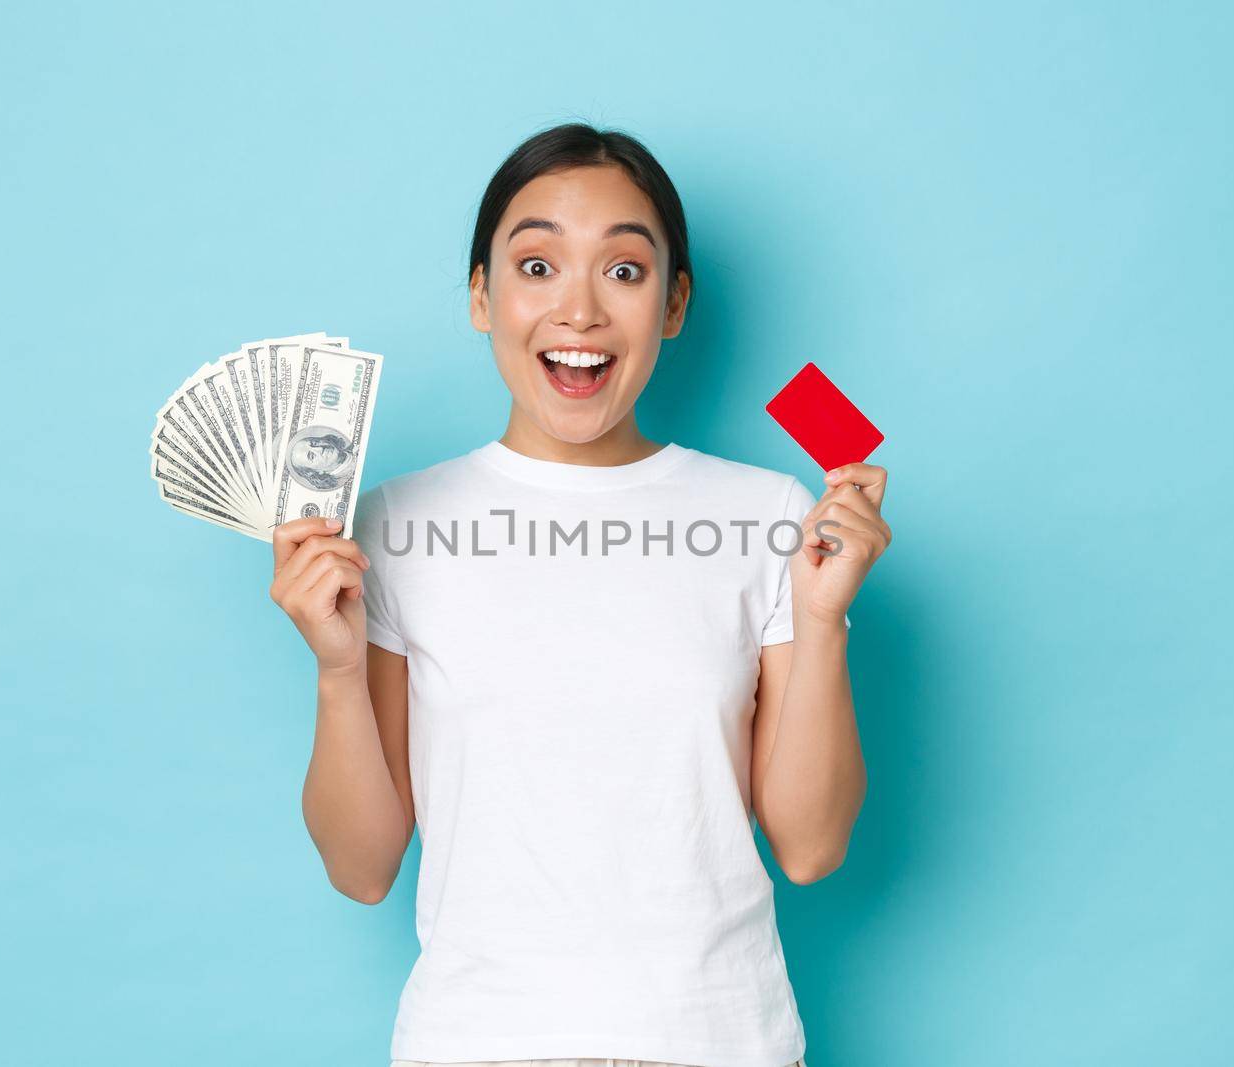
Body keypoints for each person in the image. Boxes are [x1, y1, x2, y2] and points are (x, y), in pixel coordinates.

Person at [266, 123, 892, 1067]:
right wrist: (336, 668)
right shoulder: (394, 524)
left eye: (626, 272)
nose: (581, 310)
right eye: (537, 265)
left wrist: (821, 616)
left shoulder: (767, 512)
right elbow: (361, 869)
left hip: (717, 1043)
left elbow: (810, 847)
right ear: (481, 296)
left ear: (675, 303)